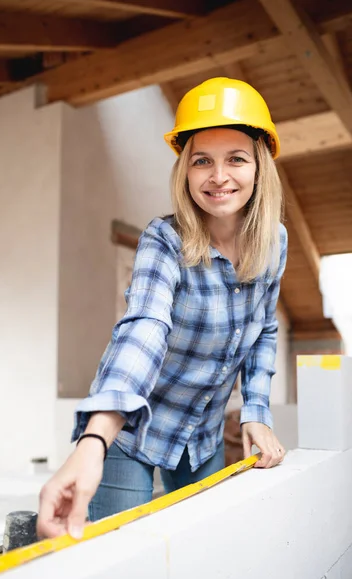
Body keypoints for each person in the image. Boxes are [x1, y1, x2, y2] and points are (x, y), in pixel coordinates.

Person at [37, 77, 288, 541]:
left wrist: (255, 411)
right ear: (184, 170)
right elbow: (144, 330)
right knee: (119, 556)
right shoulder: (164, 240)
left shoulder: (275, 243)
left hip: (202, 436)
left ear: (260, 167)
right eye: (201, 161)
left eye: (236, 158)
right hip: (131, 430)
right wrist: (94, 442)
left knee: (198, 551)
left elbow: (264, 331)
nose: (218, 176)